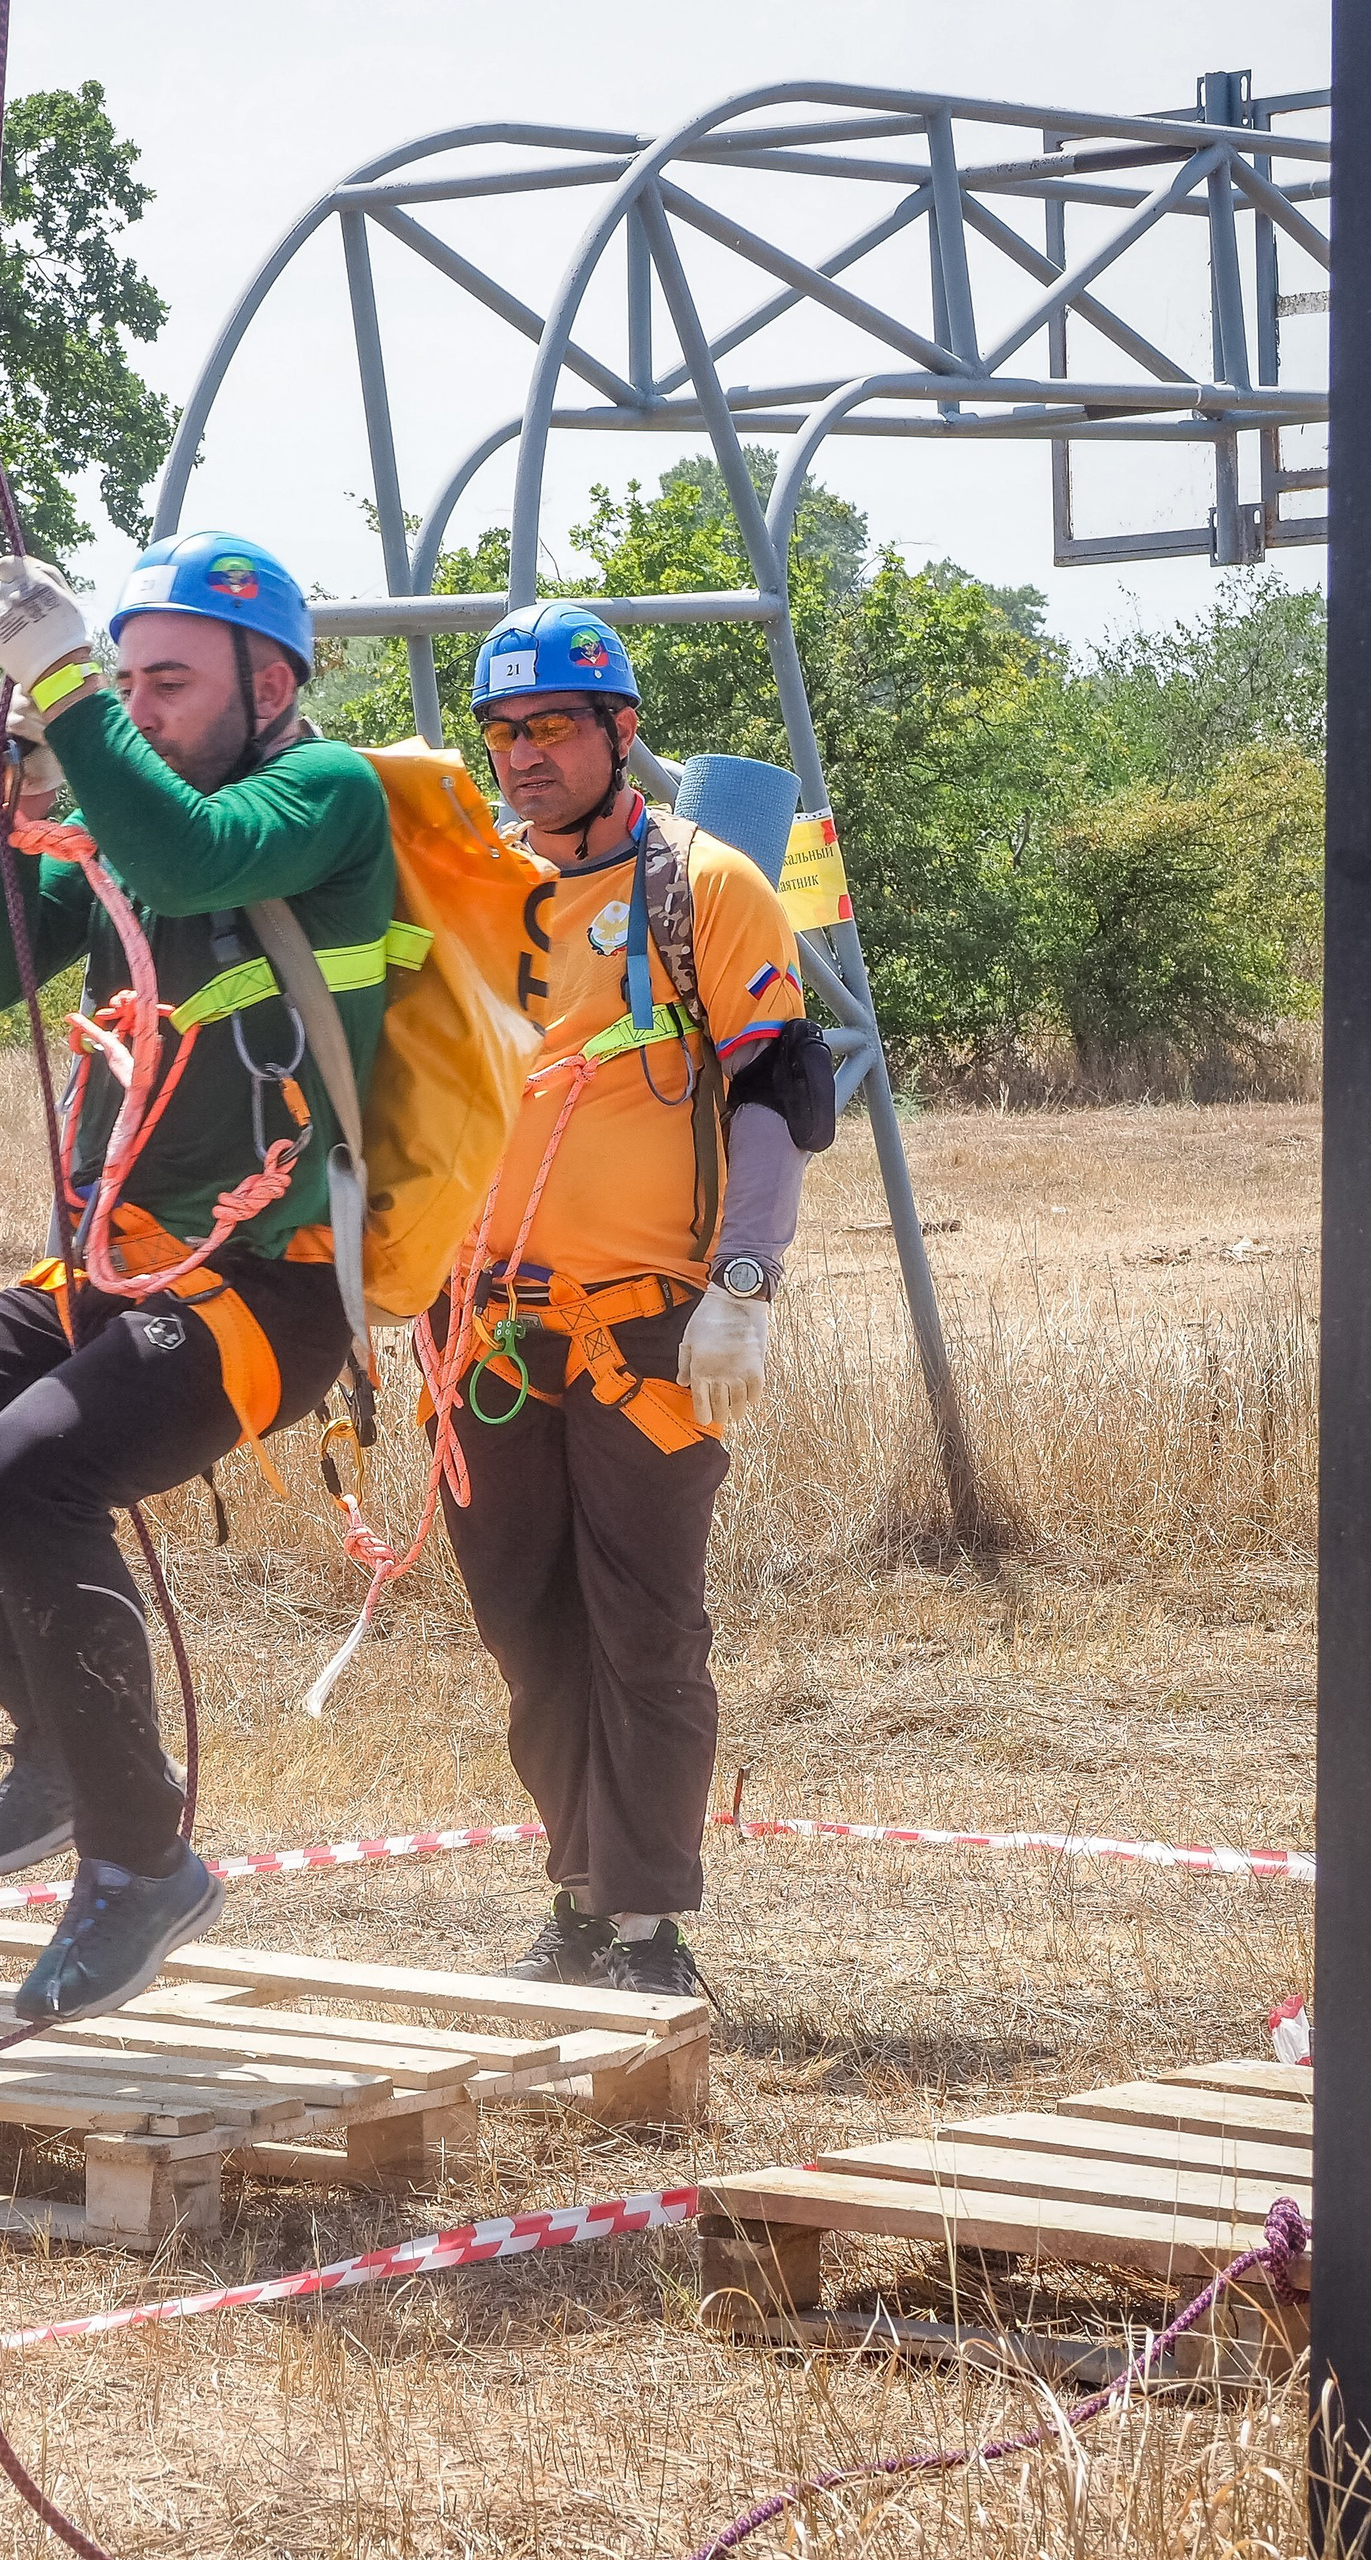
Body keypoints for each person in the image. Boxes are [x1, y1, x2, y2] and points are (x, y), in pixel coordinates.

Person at [0, 531, 394, 2024]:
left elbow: (198, 853)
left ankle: (143, 1863)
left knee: (23, 1474)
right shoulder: (123, 817)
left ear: (272, 684)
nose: (140, 706)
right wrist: (25, 776)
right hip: (119, 1273)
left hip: (273, 1285)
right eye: (126, 680)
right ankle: (64, 1746)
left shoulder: (323, 798)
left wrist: (69, 693)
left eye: (167, 684)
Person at [429, 601, 833, 2001]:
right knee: (524, 1624)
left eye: (551, 727)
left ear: (621, 733)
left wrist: (745, 1282)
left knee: (644, 1621)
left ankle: (648, 1927)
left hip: (650, 1326)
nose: (524, 755)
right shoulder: (468, 885)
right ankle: (577, 1893)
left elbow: (782, 1082)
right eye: (503, 731)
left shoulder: (707, 887)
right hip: (483, 1326)